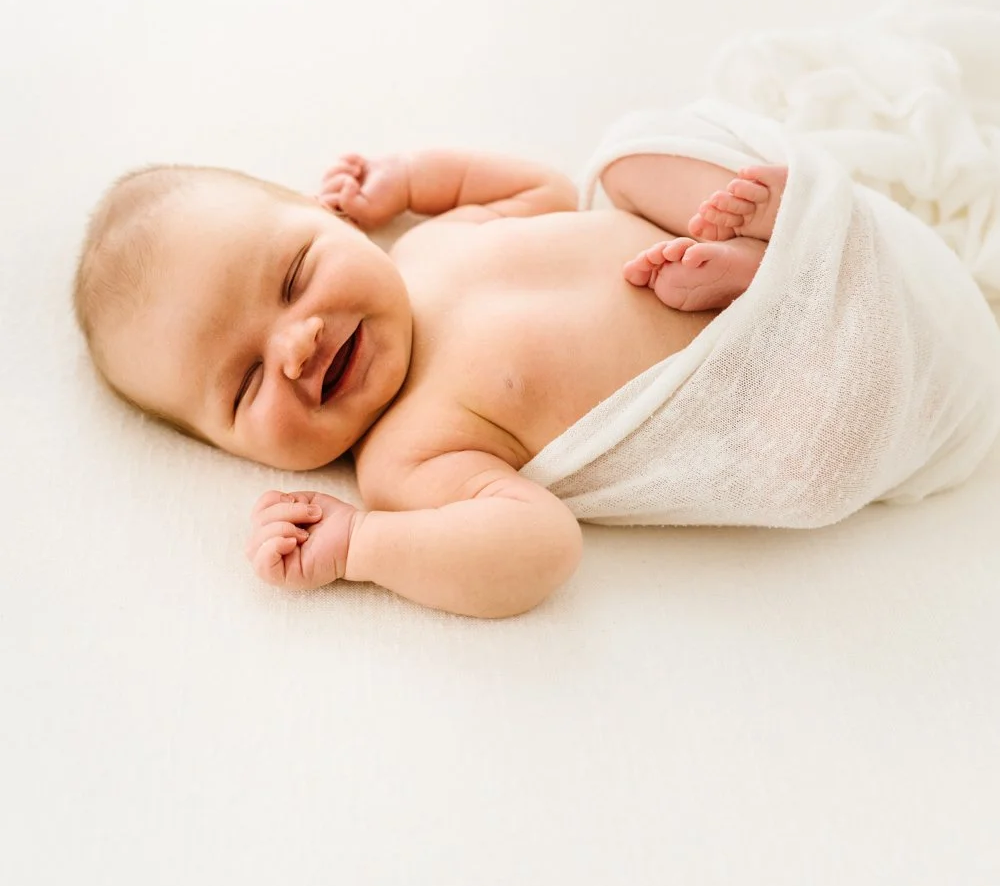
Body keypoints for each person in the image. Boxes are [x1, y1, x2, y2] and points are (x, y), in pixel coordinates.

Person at [72, 147, 785, 619]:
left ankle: (759, 245)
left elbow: (549, 192)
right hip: (760, 379)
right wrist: (360, 546)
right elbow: (540, 545)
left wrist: (411, 182)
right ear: (230, 451)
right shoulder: (404, 458)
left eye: (294, 277)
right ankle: (762, 269)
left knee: (624, 161)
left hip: (730, 251)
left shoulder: (426, 241)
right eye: (246, 384)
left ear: (330, 217)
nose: (296, 347)